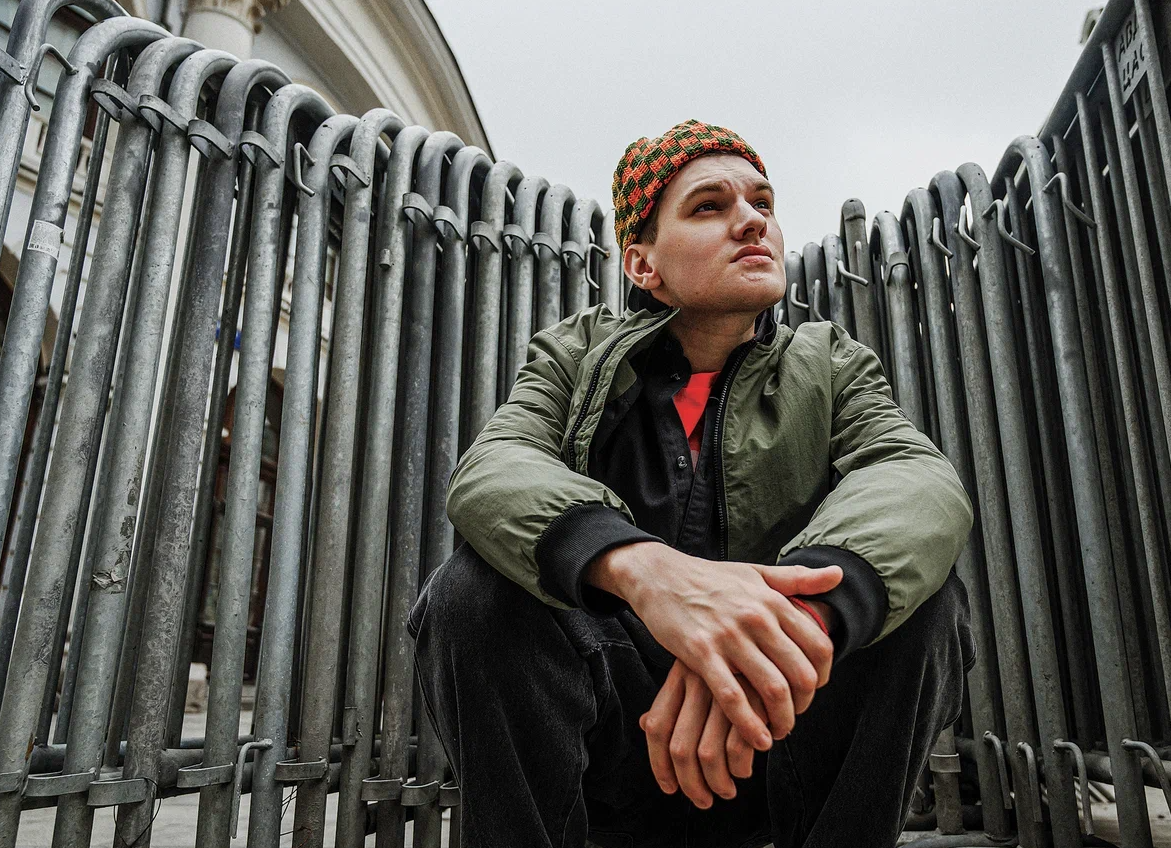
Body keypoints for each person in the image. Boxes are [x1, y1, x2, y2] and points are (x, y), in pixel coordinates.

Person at [410, 119, 976, 848]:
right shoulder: (574, 355)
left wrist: (783, 626)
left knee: (925, 598)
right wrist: (648, 574)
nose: (752, 221)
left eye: (762, 203)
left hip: (780, 731)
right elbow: (494, 467)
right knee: (474, 592)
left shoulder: (829, 362)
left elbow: (916, 477)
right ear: (643, 264)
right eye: (710, 206)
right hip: (620, 741)